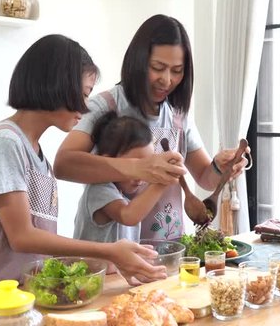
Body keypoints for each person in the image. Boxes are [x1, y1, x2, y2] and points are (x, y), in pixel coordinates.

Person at [0, 34, 166, 290]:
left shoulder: (36, 154)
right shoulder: (4, 144)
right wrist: (109, 251)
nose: (84, 108)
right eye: (83, 94)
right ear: (56, 84)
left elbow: (36, 247)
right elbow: (22, 237)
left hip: (14, 296)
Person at [55, 15, 249, 240]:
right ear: (138, 61)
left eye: (177, 71)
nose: (167, 80)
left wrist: (219, 167)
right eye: (158, 67)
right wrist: (138, 168)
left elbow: (205, 178)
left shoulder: (178, 116)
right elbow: (63, 163)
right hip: (112, 256)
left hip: (168, 250)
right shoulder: (106, 105)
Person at [73, 111, 168, 243]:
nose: (142, 175)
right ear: (109, 161)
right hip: (92, 265)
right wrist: (162, 181)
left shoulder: (121, 195)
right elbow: (128, 216)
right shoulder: (98, 189)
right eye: (136, 165)